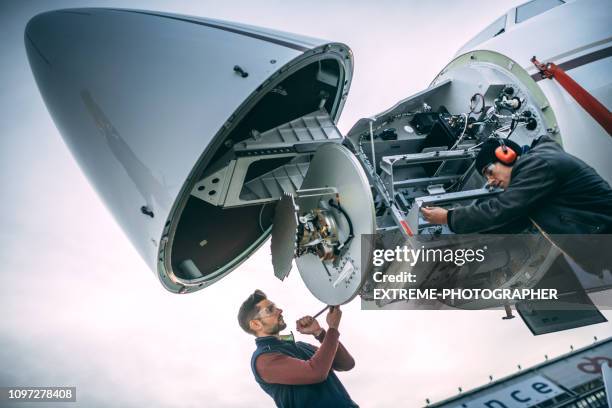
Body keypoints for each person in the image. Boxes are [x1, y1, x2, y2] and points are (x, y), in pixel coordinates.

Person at [420, 136, 612, 272]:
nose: (490, 181)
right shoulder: (536, 180)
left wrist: (449, 217)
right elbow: (513, 221)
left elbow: (503, 209)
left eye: (489, 172)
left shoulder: (538, 164)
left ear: (506, 155)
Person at [238, 290, 358, 408]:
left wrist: (319, 333)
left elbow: (347, 364)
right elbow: (316, 372)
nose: (280, 310)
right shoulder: (263, 360)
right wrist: (333, 327)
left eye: (275, 307)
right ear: (255, 324)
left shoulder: (301, 346)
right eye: (270, 310)